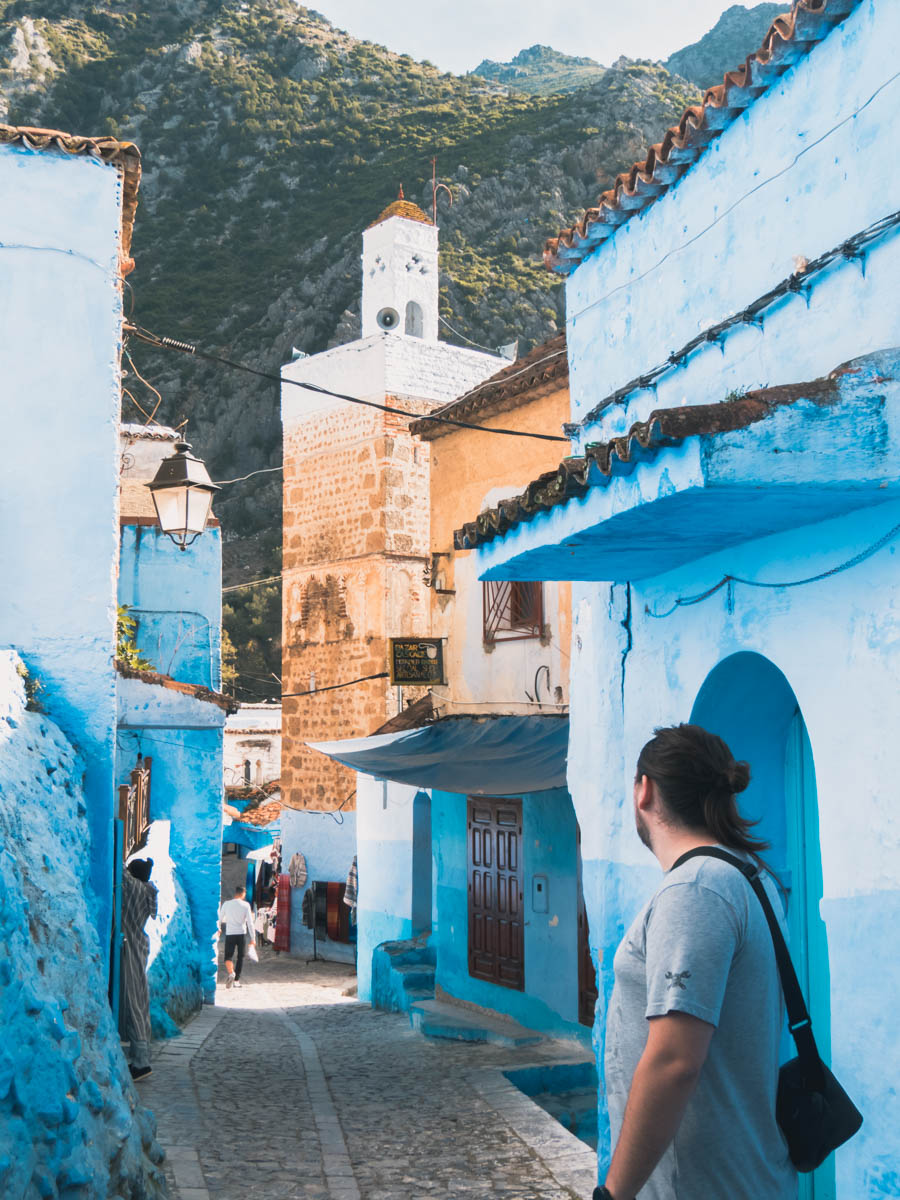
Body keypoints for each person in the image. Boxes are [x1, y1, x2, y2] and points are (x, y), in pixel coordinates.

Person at [595, 724, 796, 1200]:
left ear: (644, 790)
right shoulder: (749, 877)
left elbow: (674, 1061)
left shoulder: (696, 889)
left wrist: (614, 1194)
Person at [121, 857, 158, 1082]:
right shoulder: (147, 890)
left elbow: (121, 871)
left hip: (131, 945)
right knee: (140, 1000)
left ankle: (141, 1062)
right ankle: (141, 1057)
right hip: (139, 944)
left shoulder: (134, 888)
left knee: (134, 1000)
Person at [218, 885, 255, 988]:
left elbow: (220, 918)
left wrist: (219, 928)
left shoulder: (226, 904)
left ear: (236, 893)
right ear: (243, 894)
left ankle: (231, 973)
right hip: (241, 934)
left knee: (228, 956)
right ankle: (236, 981)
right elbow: (250, 923)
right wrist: (253, 938)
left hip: (230, 934)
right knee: (240, 957)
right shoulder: (246, 905)